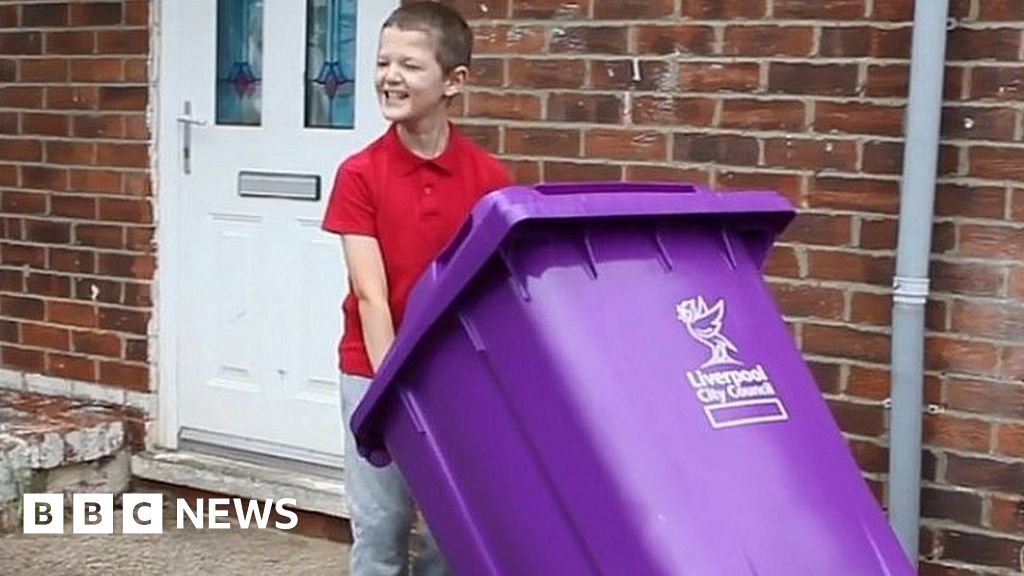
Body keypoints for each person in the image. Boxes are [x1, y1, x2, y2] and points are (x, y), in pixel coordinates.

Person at [321, 3, 511, 575]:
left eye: (409, 64)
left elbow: (491, 294)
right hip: (373, 372)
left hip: (453, 378)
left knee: (449, 534)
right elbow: (373, 297)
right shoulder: (359, 175)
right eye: (382, 62)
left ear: (454, 81)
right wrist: (390, 395)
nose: (390, 76)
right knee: (380, 528)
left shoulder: (490, 181)